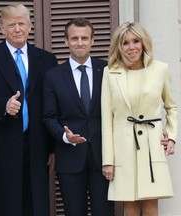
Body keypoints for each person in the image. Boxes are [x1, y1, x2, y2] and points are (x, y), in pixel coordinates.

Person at [0, 4, 58, 216]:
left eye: (22, 23)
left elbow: (52, 106)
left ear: (30, 26)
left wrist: (53, 147)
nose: (17, 29)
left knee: (33, 204)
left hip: (36, 145)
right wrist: (3, 105)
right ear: (2, 28)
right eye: (12, 24)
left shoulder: (46, 59)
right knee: (1, 206)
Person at [101, 22, 177, 216]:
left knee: (151, 204)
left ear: (143, 43)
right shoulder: (110, 72)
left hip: (152, 145)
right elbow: (106, 119)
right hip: (123, 148)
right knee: (130, 206)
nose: (131, 47)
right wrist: (108, 160)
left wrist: (172, 135)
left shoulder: (160, 69)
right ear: (118, 46)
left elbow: (171, 107)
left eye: (136, 41)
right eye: (125, 43)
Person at [43, 17, 114, 216]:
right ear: (66, 41)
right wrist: (65, 136)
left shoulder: (108, 71)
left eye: (85, 38)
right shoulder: (53, 76)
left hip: (104, 157)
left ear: (93, 41)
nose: (80, 43)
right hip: (70, 157)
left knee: (105, 212)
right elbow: (48, 117)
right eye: (74, 38)